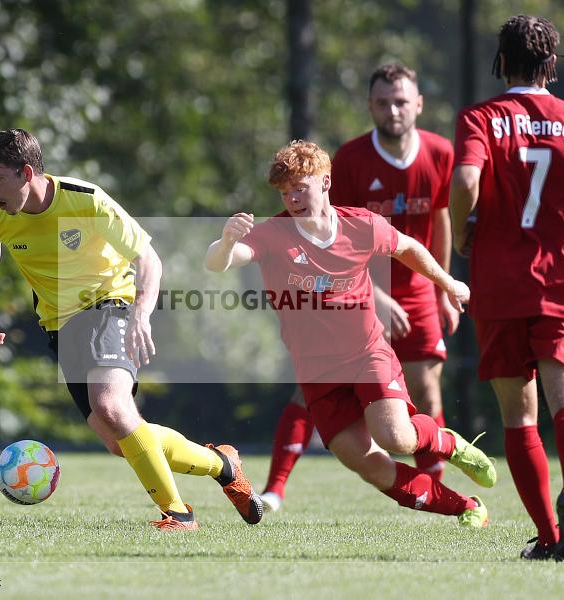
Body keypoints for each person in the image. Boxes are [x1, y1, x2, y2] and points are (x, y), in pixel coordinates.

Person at [0, 128, 263, 531]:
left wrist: (141, 312)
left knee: (111, 407)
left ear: (25, 173)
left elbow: (148, 259)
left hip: (109, 305)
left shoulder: (86, 200)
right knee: (118, 440)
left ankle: (178, 514)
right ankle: (222, 464)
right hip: (59, 324)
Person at [206, 140, 496, 528]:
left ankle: (448, 443)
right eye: (285, 192)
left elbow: (408, 247)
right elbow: (218, 262)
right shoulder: (274, 233)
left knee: (395, 437)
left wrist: (447, 283)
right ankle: (466, 507)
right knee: (367, 465)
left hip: (366, 354)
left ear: (325, 182)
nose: (293, 199)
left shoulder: (360, 224)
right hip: (317, 373)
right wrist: (227, 242)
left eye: (300, 187)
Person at [450, 15, 564, 560]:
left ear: (501, 62)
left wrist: (460, 232)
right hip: (562, 280)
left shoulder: (481, 117)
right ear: (551, 64)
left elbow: (466, 180)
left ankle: (550, 537)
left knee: (518, 416)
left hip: (500, 282)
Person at [258, 64, 458, 513]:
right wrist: (376, 295)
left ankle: (435, 482)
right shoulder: (350, 159)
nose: (393, 110)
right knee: (311, 388)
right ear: (370, 106)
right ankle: (273, 490)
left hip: (417, 291)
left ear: (419, 104)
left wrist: (442, 287)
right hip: (357, 293)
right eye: (383, 103)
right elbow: (334, 235)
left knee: (426, 391)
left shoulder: (440, 152)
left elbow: (440, 220)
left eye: (401, 101)